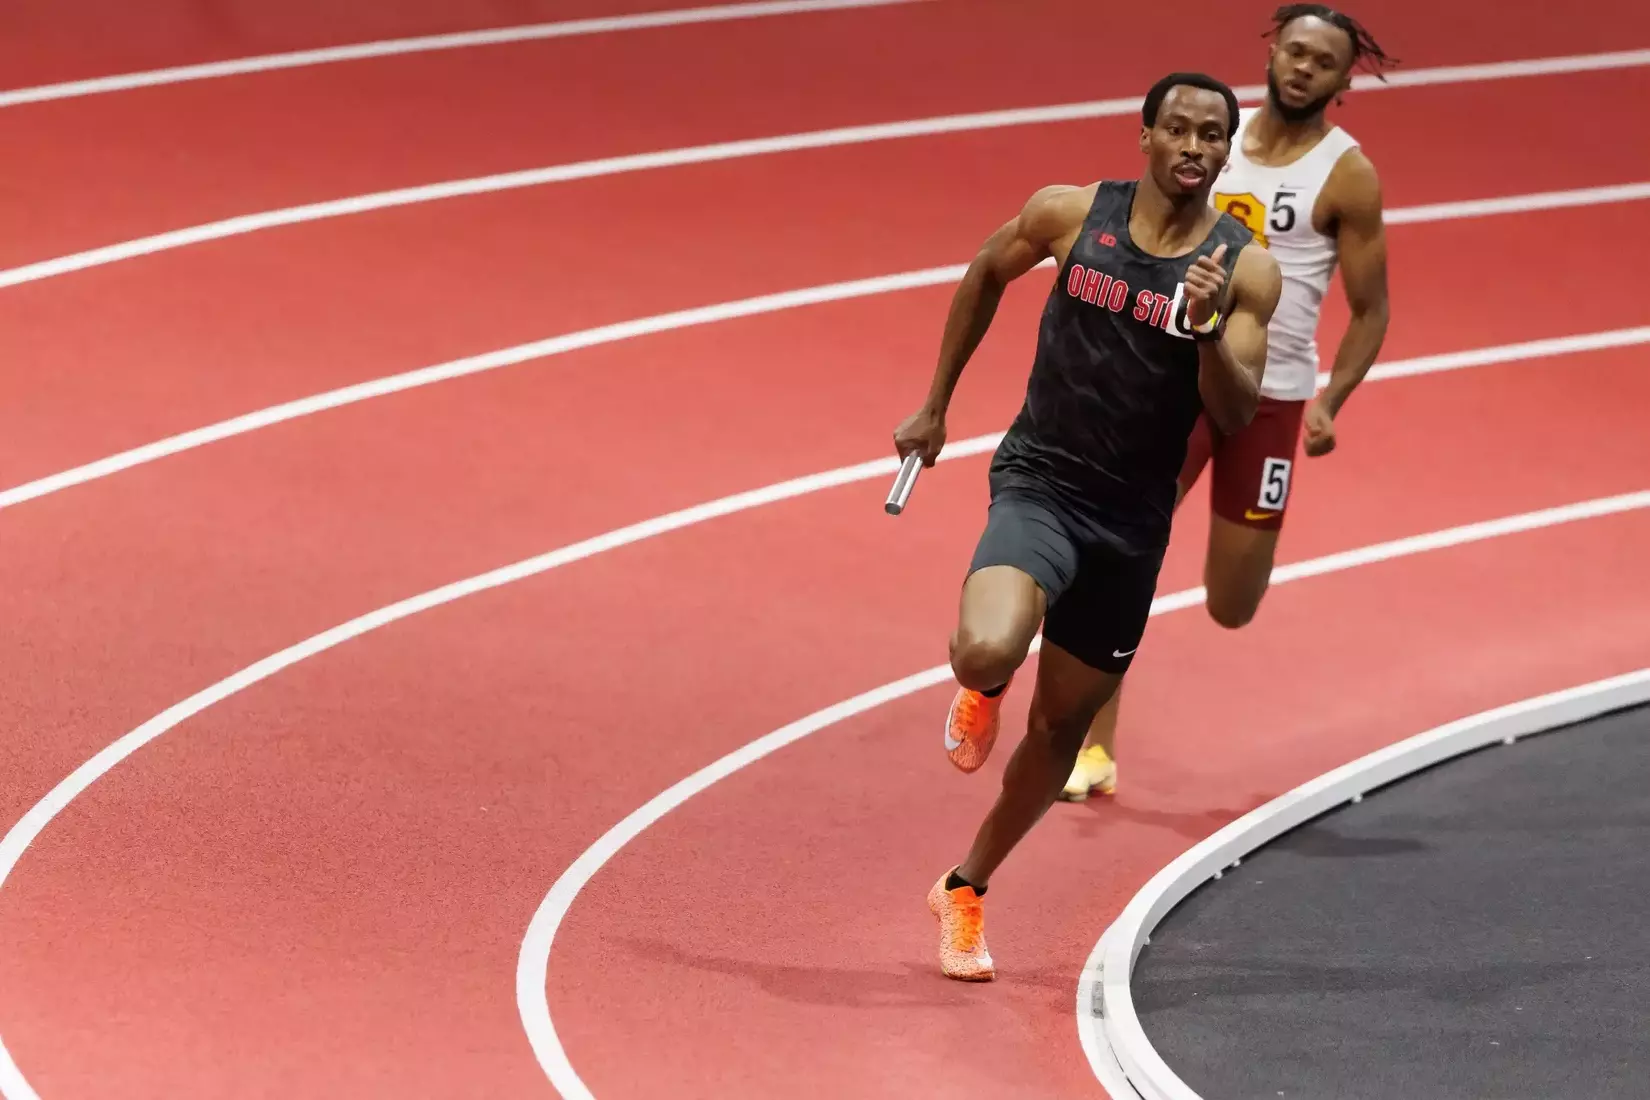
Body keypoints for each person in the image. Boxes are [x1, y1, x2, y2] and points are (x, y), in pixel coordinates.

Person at [892, 72, 1283, 981]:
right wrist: (934, 406)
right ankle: (982, 687)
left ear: (1227, 152)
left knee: (1062, 732)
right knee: (987, 650)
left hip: (1132, 520)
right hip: (1041, 481)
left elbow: (1233, 412)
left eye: (1210, 136)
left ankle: (965, 887)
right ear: (1144, 136)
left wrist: (1206, 328)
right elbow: (986, 270)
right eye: (1177, 130)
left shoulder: (1244, 270)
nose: (1193, 147)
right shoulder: (1071, 214)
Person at [1061, 4, 1397, 803]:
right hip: (1179, 381)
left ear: (1346, 78)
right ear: (1272, 51)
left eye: (1323, 60)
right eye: (1294, 50)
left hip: (1272, 401)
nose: (1304, 67)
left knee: (1232, 604)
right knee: (1120, 552)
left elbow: (1372, 308)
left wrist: (1331, 403)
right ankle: (1091, 747)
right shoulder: (1212, 136)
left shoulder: (1347, 174)